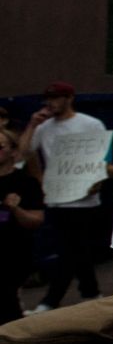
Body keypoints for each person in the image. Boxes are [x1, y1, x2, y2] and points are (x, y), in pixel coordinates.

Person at [20, 80, 112, 313]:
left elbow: (101, 157)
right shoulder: (44, 128)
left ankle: (51, 300)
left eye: (56, 98)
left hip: (83, 197)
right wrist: (32, 124)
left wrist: (97, 181)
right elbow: (23, 152)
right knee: (76, 249)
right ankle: (91, 292)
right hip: (57, 195)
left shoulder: (90, 124)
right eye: (48, 99)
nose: (50, 103)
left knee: (70, 249)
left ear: (69, 99)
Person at [0, 128, 45, 323]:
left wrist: (15, 209)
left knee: (6, 299)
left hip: (14, 250)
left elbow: (36, 221)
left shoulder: (25, 183)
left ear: (13, 151)